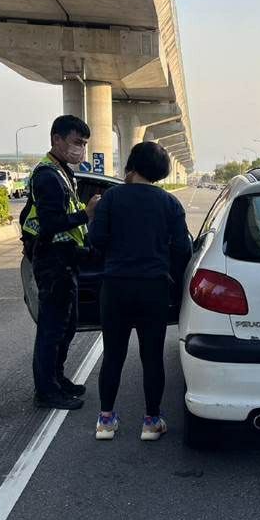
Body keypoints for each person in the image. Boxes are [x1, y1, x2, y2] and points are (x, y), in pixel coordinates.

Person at [87, 142, 193, 441]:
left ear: (131, 165)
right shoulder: (169, 203)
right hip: (153, 288)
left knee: (113, 355)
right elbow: (182, 248)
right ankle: (151, 421)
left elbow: (96, 241)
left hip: (115, 287)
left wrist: (91, 215)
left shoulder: (111, 198)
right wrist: (172, 278)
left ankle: (106, 421)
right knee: (152, 356)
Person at [23, 115, 100, 410]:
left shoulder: (62, 172)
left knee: (66, 326)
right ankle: (46, 392)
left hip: (66, 259)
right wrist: (86, 214)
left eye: (84, 144)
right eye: (77, 142)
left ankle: (57, 379)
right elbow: (52, 223)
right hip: (52, 261)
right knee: (52, 329)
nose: (81, 149)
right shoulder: (47, 176)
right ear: (57, 139)